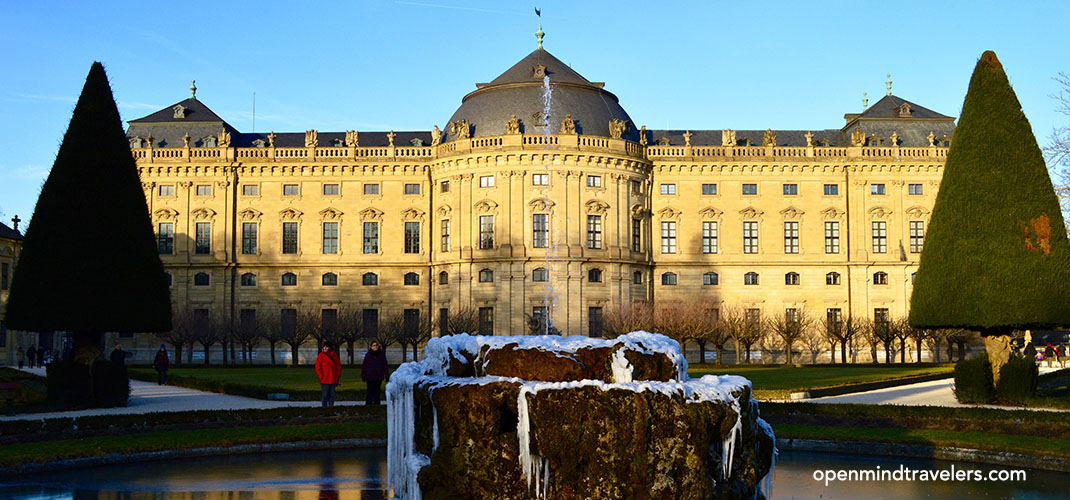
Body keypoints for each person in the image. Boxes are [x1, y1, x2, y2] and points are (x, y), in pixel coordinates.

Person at [361, 341, 388, 405]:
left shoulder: (381, 355)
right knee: (370, 393)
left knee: (377, 393)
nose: (375, 346)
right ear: (371, 347)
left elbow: (385, 365)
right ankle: (368, 406)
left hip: (378, 377)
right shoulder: (368, 355)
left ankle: (377, 406)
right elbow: (364, 366)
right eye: (374, 345)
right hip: (370, 377)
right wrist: (363, 376)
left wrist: (386, 375)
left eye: (376, 345)